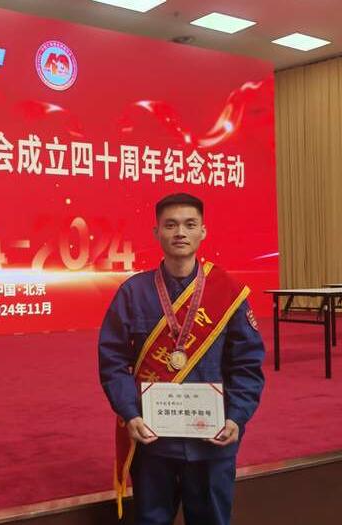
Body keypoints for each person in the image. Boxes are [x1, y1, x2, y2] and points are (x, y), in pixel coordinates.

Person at [98, 193, 265, 525]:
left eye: (190, 224)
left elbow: (246, 363)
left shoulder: (228, 292)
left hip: (212, 442)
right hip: (153, 440)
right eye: (170, 225)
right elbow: (113, 360)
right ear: (156, 232)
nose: (180, 233)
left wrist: (236, 416)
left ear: (203, 231)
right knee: (151, 520)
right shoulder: (133, 292)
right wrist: (130, 413)